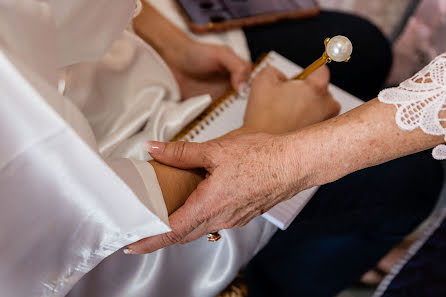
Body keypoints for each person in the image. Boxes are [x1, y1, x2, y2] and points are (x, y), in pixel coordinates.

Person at [0, 1, 339, 296]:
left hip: (123, 67)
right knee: (374, 187)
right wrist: (266, 136)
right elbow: (87, 210)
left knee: (365, 48)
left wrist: (174, 47)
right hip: (122, 199)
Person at [128, 3, 444, 297]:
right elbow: (103, 200)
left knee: (366, 48)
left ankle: (333, 238)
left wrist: (176, 49)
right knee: (405, 181)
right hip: (116, 161)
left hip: (119, 60)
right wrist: (275, 145)